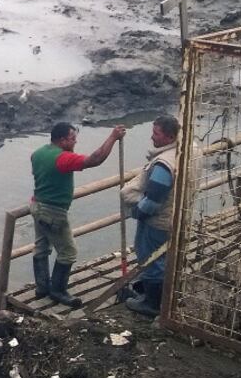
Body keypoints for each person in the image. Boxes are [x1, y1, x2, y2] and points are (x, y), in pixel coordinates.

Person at [31, 122, 127, 307]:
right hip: (53, 211)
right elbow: (95, 159)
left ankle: (42, 287)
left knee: (42, 247)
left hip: (37, 206)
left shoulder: (38, 153)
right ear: (61, 140)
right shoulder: (63, 159)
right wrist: (113, 137)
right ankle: (58, 291)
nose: (75, 141)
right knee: (68, 252)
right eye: (72, 139)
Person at [120, 115, 180, 317]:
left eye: (156, 133)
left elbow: (153, 200)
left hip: (158, 221)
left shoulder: (164, 164)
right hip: (175, 217)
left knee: (152, 259)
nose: (152, 137)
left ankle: (152, 304)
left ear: (170, 136)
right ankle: (159, 297)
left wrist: (137, 212)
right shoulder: (187, 150)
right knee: (164, 258)